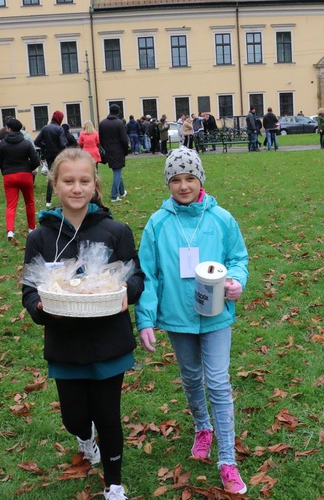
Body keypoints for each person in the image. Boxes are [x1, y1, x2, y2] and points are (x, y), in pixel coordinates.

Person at [22, 147, 144, 500]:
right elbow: (29, 292)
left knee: (108, 416)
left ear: (95, 185)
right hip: (65, 344)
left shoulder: (115, 230)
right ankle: (83, 437)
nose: (77, 188)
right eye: (68, 181)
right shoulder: (39, 237)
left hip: (109, 341)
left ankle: (114, 483)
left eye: (84, 181)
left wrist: (125, 291)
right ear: (55, 185)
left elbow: (137, 279)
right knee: (75, 417)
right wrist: (44, 309)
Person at [135, 147, 249, 495]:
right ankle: (203, 427)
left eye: (189, 178)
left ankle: (227, 460)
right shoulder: (158, 223)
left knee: (217, 381)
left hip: (216, 316)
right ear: (168, 183)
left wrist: (236, 281)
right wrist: (146, 319)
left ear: (200, 178)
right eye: (175, 179)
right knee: (190, 377)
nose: (183, 186)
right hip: (177, 316)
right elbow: (148, 275)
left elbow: (238, 257)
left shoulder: (221, 219)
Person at [0, 118, 40, 242]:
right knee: (30, 202)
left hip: (9, 176)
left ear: (9, 129)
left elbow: (0, 161)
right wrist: (28, 168)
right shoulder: (26, 143)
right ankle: (31, 228)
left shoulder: (2, 144)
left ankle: (10, 231)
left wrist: (5, 171)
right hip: (25, 175)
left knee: (11, 205)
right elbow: (35, 161)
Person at [34, 110, 68, 208]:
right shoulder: (59, 129)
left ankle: (48, 201)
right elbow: (62, 144)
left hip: (49, 155)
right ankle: (64, 198)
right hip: (59, 155)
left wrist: (45, 146)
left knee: (51, 176)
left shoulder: (45, 128)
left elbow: (37, 141)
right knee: (62, 176)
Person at [99, 104, 129, 203]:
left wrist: (105, 149)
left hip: (108, 150)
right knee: (117, 172)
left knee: (117, 170)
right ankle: (114, 195)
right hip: (118, 150)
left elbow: (101, 139)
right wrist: (126, 150)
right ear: (118, 112)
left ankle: (121, 191)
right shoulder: (119, 123)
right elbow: (124, 139)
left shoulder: (102, 123)